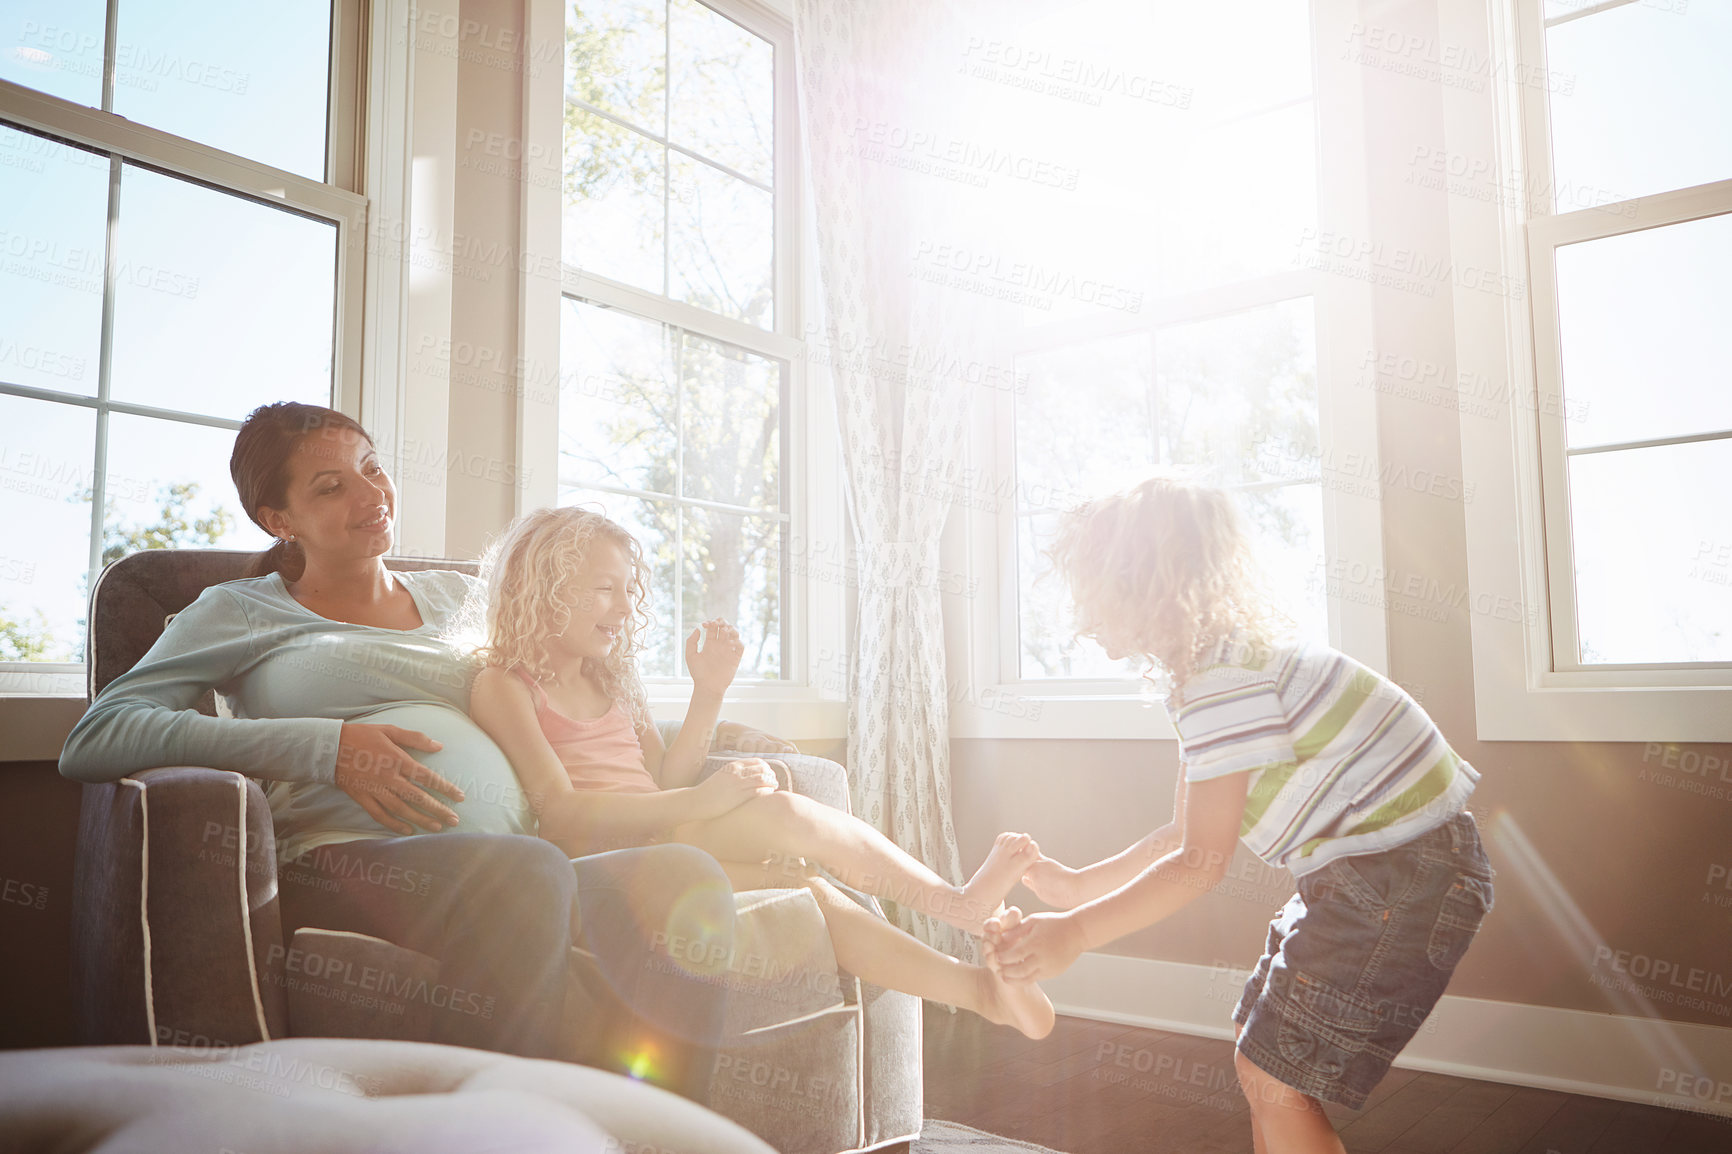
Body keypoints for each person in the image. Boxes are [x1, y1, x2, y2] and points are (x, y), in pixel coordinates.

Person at [58, 402, 736, 1098]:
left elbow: (570, 681)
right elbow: (100, 736)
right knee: (523, 875)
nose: (370, 494)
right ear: (278, 520)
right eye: (331, 486)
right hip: (342, 860)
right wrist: (326, 747)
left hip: (528, 855)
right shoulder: (239, 610)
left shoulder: (464, 599)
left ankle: (666, 1135)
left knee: (681, 871)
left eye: (372, 469)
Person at [985, 476, 1496, 1153]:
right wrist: (1079, 886)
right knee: (1260, 1048)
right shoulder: (1222, 671)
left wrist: (1075, 932)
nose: (1081, 607)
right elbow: (1183, 834)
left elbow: (1201, 864)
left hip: (1397, 878)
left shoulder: (1220, 684)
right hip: (1378, 876)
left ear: (1142, 584)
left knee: (1272, 1073)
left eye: (1091, 584)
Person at [461, 504, 1057, 1039]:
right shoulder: (505, 686)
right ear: (545, 591)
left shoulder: (612, 680)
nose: (624, 607)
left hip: (670, 838)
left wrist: (709, 693)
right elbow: (561, 812)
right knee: (782, 818)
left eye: (626, 590)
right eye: (604, 589)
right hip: (604, 860)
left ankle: (979, 989)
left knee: (808, 891)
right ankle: (957, 907)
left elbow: (667, 780)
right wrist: (702, 803)